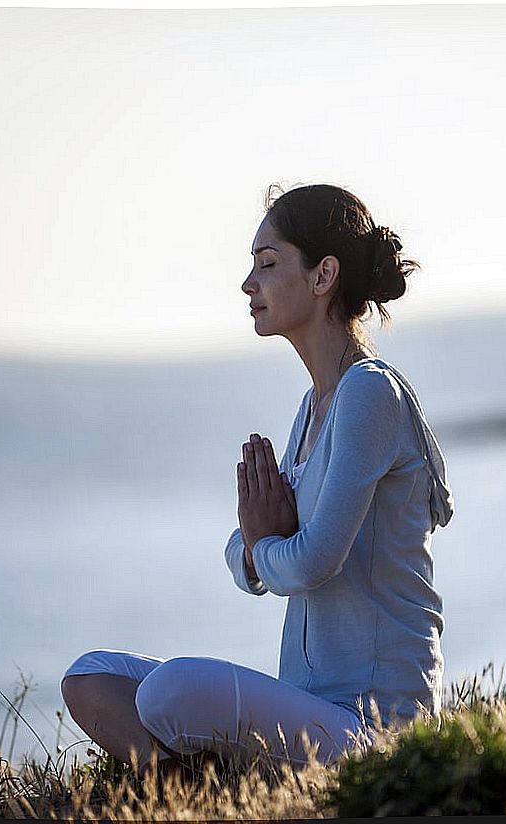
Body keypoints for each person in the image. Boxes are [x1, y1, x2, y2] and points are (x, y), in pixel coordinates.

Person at [61, 184, 453, 771]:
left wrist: (264, 544)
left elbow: (312, 561)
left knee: (172, 692)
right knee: (89, 677)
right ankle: (182, 785)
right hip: (308, 709)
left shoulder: (370, 392)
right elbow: (253, 551)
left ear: (323, 276)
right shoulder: (314, 406)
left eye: (267, 265)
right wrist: (260, 547)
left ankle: (203, 777)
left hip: (374, 732)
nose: (249, 285)